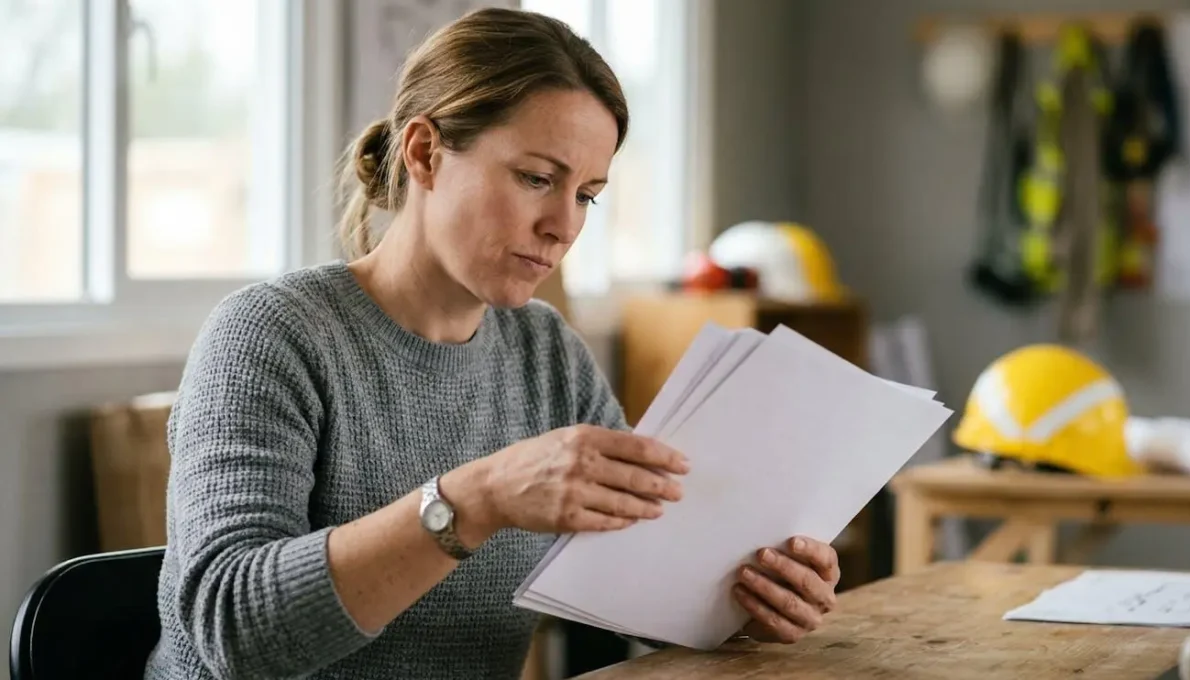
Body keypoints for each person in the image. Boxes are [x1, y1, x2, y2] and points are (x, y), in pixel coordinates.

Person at [143, 8, 840, 679]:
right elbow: (231, 628)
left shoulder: (545, 351)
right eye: (537, 178)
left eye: (586, 195)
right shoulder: (269, 335)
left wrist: (746, 596)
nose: (563, 226)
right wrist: (475, 500)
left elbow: (637, 579)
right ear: (424, 153)